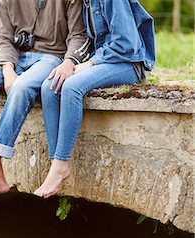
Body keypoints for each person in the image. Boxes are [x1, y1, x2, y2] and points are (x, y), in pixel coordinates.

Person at [0, 0, 90, 203]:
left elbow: (78, 34)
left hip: (51, 57)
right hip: (14, 59)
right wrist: (8, 69)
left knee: (20, 88)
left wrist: (69, 61)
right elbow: (3, 38)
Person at [34, 0, 155, 198]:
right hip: (103, 61)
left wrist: (90, 63)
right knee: (50, 86)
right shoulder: (85, 2)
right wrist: (71, 62)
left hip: (128, 63)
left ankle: (61, 163)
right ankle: (55, 162)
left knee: (72, 87)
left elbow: (126, 43)